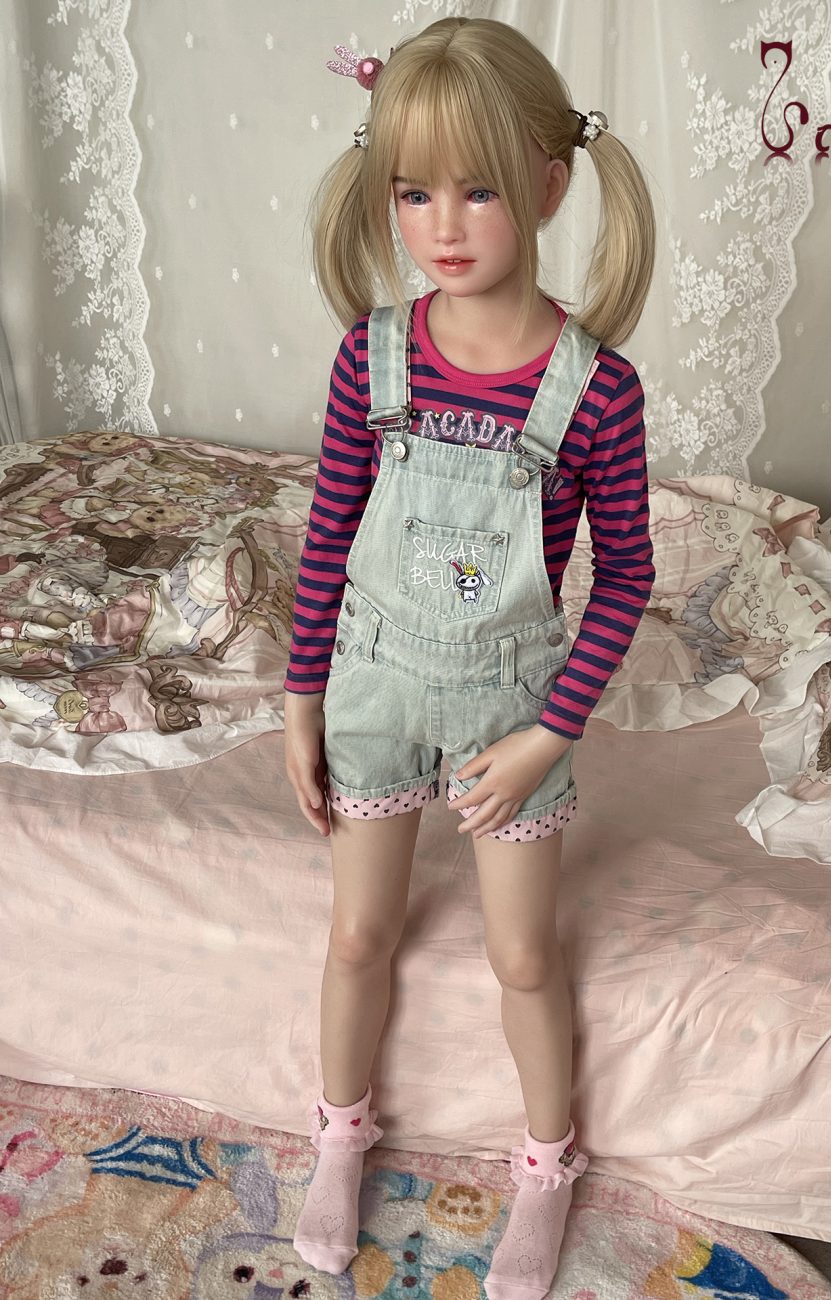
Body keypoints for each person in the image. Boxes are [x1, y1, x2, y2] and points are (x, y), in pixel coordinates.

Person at [283, 16, 656, 1296]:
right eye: (415, 192)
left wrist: (550, 733)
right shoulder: (371, 356)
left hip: (511, 706)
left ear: (549, 185)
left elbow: (628, 575)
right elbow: (329, 532)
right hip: (374, 683)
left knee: (524, 955)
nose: (444, 226)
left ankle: (547, 1165)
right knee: (357, 932)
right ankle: (340, 1135)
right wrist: (301, 700)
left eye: (481, 189)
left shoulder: (596, 388)